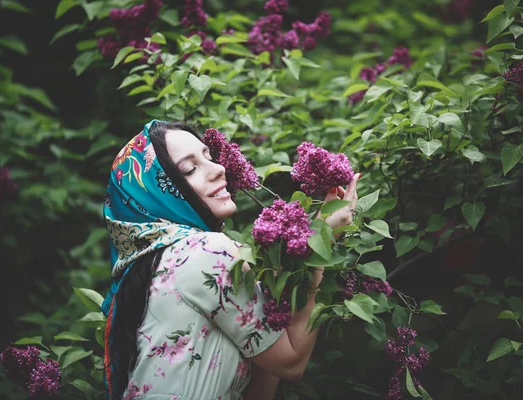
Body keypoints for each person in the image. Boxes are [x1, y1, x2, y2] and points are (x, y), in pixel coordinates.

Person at [101, 120, 360, 400]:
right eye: (190, 169)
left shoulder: (155, 264)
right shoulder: (204, 252)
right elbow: (291, 363)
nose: (219, 169)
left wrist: (279, 284)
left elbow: (261, 387)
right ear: (157, 194)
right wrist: (321, 241)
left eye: (209, 157)